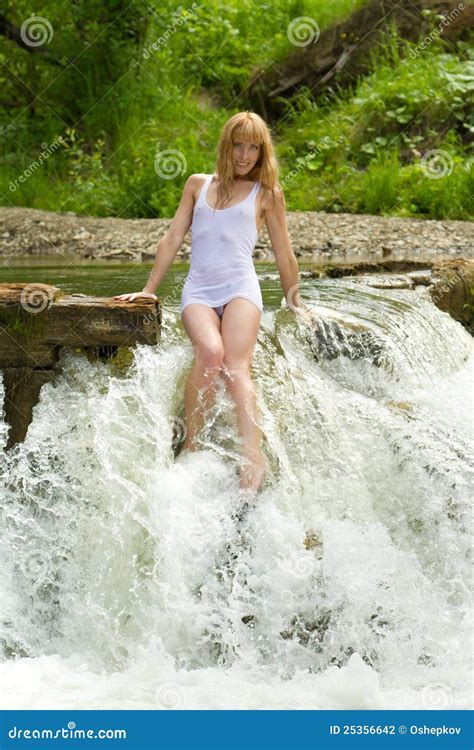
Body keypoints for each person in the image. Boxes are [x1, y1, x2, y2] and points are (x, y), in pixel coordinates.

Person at [114, 111, 305, 492]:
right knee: (210, 353)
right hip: (199, 291)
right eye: (239, 145)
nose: (245, 155)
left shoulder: (267, 194)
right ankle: (192, 444)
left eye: (254, 147)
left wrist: (296, 302)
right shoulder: (197, 185)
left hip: (241, 290)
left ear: (262, 151)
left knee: (235, 366)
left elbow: (284, 253)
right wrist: (149, 290)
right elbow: (171, 238)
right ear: (226, 145)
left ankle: (253, 458)